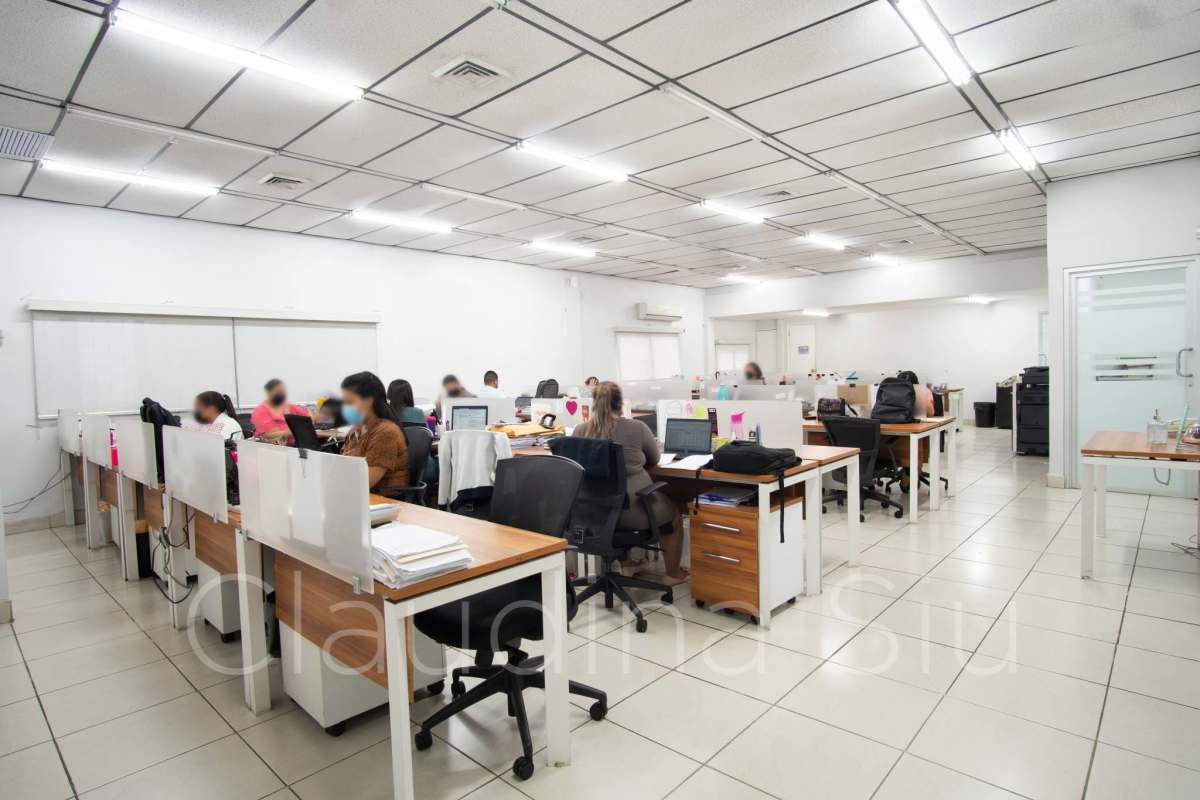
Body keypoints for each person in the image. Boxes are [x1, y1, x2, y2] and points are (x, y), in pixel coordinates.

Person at [573, 381, 687, 582]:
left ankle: (627, 565)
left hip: (594, 513)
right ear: (621, 403)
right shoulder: (636, 428)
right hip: (633, 511)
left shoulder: (579, 431)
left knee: (612, 498)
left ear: (594, 403)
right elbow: (655, 459)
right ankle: (672, 573)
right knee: (675, 513)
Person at [340, 371, 410, 493]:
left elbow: (366, 482)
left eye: (350, 402)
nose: (345, 408)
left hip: (385, 501)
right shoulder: (356, 430)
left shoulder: (386, 432)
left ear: (369, 401)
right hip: (359, 495)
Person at [250, 378, 309, 444]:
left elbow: (307, 416)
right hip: (271, 448)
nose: (282, 394)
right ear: (268, 392)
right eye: (279, 392)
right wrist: (291, 431)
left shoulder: (290, 406)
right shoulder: (260, 411)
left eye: (283, 391)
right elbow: (268, 435)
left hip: (296, 445)